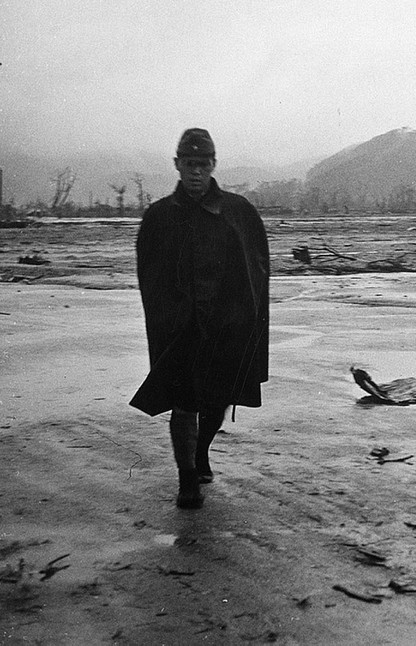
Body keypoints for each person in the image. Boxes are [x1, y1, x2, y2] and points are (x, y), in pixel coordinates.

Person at [130, 128, 269, 509]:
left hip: (227, 328)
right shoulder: (159, 216)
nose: (196, 172)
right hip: (181, 330)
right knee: (184, 402)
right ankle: (187, 478)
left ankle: (202, 449)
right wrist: (166, 320)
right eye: (189, 164)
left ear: (213, 165)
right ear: (177, 165)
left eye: (203, 164)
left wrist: (245, 319)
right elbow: (149, 277)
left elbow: (256, 270)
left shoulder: (238, 211)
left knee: (218, 400)